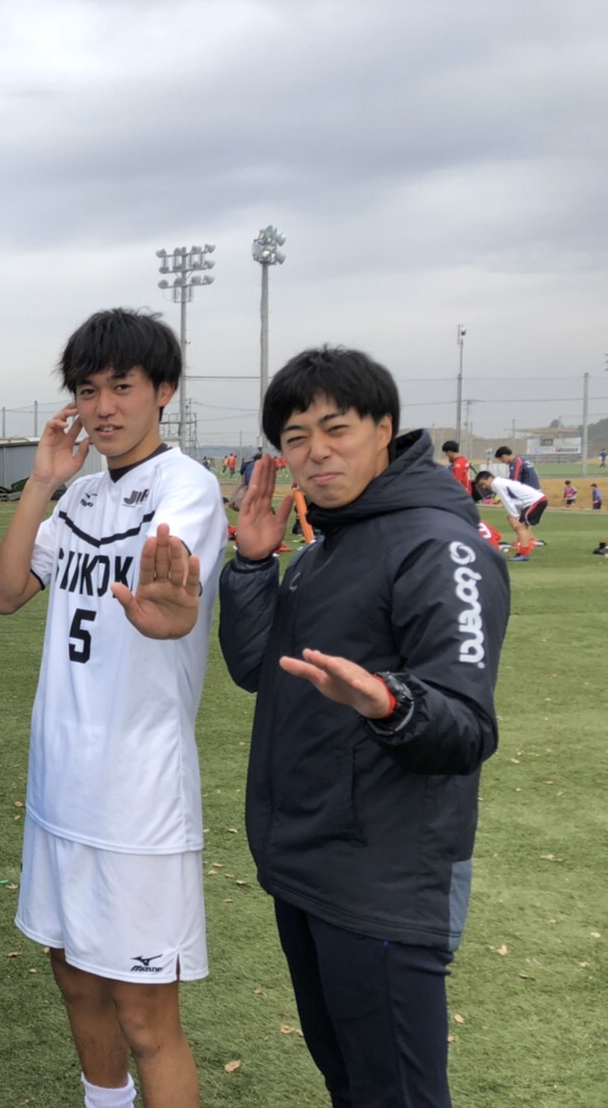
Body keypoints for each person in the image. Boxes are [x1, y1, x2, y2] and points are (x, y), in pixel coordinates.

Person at [219, 346, 509, 1108]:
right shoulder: (327, 548)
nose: (316, 452)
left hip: (385, 881)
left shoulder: (437, 544)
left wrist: (390, 702)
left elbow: (466, 723)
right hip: (307, 868)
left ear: (384, 429)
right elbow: (256, 668)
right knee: (351, 1086)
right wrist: (252, 567)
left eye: (335, 429)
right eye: (295, 438)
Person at [0, 309, 225, 1108]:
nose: (104, 407)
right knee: (75, 978)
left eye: (122, 387)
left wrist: (172, 612)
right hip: (61, 785)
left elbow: (172, 602)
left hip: (139, 798)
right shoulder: (81, 497)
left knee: (147, 1017)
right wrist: (42, 483)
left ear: (164, 390)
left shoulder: (187, 487)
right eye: (88, 391)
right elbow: (5, 594)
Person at [473, 470, 547, 561]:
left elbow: (507, 501)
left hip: (536, 501)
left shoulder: (497, 484)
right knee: (513, 520)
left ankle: (524, 553)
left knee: (520, 526)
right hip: (534, 501)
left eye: (483, 483)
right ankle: (525, 545)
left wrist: (516, 516)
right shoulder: (500, 482)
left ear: (489, 478)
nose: (484, 487)